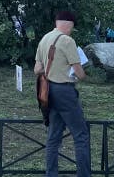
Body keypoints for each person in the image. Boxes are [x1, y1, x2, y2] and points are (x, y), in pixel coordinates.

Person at [34, 10, 90, 177]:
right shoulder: (67, 41)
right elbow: (79, 72)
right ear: (68, 24)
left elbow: (37, 69)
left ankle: (51, 174)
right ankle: (84, 175)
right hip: (65, 91)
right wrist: (84, 75)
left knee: (53, 137)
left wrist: (53, 68)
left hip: (49, 91)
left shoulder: (44, 39)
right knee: (81, 135)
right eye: (72, 27)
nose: (71, 31)